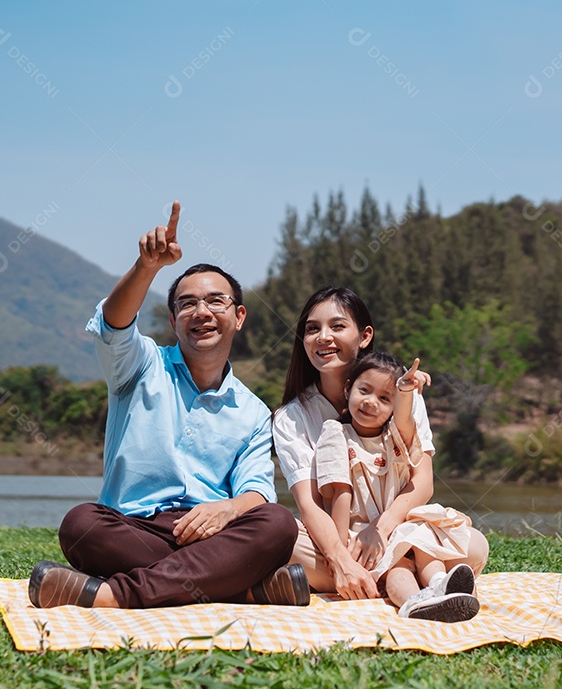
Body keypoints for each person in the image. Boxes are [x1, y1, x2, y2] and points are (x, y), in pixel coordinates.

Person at [28, 201, 307, 609]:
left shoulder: (252, 412)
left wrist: (227, 509)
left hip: (210, 536)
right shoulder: (141, 365)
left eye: (216, 301)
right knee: (81, 524)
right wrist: (147, 267)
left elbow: (257, 489)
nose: (202, 312)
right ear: (174, 321)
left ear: (239, 316)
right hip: (133, 529)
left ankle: (110, 595)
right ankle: (240, 589)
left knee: (278, 523)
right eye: (187, 304)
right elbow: (114, 326)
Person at [273, 286, 489, 608]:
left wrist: (380, 529)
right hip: (336, 541)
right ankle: (401, 578)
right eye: (312, 329)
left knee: (474, 545)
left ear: (364, 336)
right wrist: (340, 557)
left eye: (337, 326)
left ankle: (392, 576)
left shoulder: (404, 395)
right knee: (283, 539)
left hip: (398, 529)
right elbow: (310, 504)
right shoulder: (292, 417)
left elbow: (423, 483)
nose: (323, 337)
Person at [316, 351, 479, 621]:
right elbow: (341, 492)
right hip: (363, 536)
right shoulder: (336, 433)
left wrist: (405, 390)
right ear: (348, 389)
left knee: (423, 541)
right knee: (398, 569)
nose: (371, 402)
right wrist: (341, 550)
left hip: (398, 527)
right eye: (364, 391)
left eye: (384, 399)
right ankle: (413, 602)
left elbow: (404, 421)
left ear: (393, 407)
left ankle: (439, 585)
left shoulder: (395, 437)